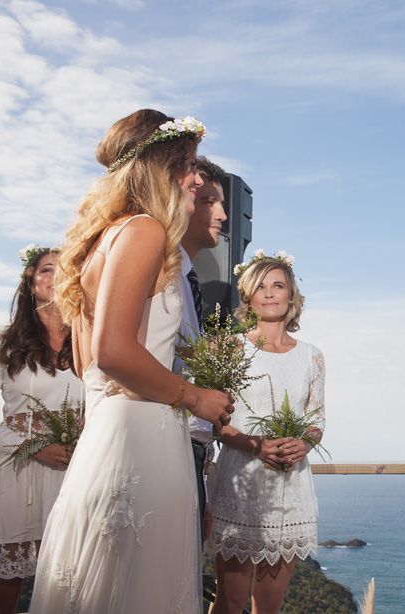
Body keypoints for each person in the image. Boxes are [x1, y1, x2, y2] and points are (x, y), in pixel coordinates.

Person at [29, 109, 235, 614]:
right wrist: (196, 397)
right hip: (143, 437)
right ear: (157, 166)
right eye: (186, 163)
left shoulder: (104, 240)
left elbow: (86, 365)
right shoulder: (143, 230)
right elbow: (112, 352)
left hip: (111, 432)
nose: (195, 177)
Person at [207, 252, 324, 614]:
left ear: (291, 296)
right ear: (249, 296)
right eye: (261, 286)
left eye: (278, 285)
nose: (270, 293)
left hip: (290, 489)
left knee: (270, 605)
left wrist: (303, 442)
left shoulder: (312, 356)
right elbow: (213, 422)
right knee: (230, 602)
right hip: (240, 484)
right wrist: (255, 446)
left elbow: (317, 420)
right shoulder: (229, 348)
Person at [0, 246, 82, 614]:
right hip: (17, 474)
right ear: (30, 284)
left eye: (63, 269)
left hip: (74, 475)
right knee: (3, 593)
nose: (54, 276)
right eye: (45, 270)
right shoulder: (2, 347)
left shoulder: (89, 346)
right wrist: (34, 447)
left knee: (70, 589)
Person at [178, 155, 228, 536]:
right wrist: (198, 398)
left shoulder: (190, 279)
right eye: (210, 201)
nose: (223, 215)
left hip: (192, 451)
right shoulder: (161, 275)